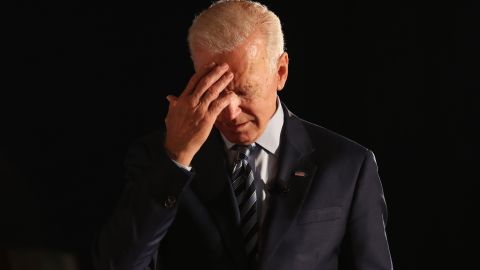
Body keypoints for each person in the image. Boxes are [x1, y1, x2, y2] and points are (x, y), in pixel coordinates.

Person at [92, 1, 393, 269]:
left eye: (245, 91)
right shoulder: (155, 157)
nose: (231, 112)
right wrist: (175, 160)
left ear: (281, 72)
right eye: (216, 92)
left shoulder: (349, 165)